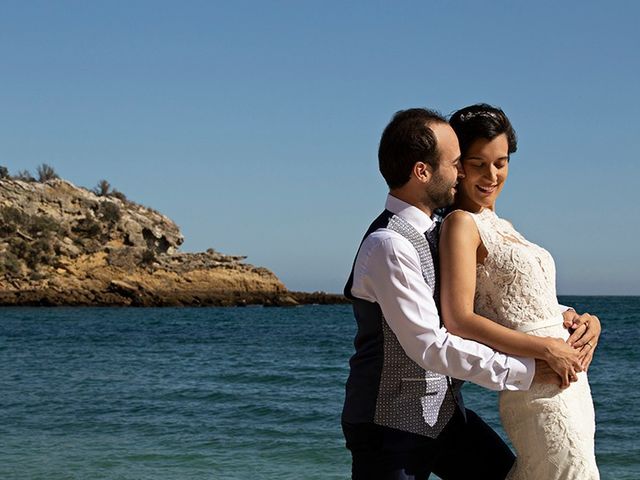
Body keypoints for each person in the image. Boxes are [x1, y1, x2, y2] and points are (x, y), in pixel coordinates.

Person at [341, 107, 601, 480]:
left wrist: (571, 319)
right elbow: (431, 345)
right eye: (457, 162)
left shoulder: (442, 228)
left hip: (445, 417)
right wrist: (530, 368)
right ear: (422, 171)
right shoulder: (390, 245)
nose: (462, 172)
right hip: (389, 427)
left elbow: (498, 297)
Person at [440, 103, 599, 479]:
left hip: (570, 384)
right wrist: (546, 348)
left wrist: (583, 321)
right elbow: (459, 319)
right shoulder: (460, 224)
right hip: (539, 386)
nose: (492, 175)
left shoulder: (502, 224)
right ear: (458, 165)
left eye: (501, 162)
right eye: (478, 163)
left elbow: (528, 303)